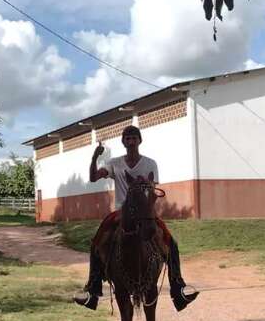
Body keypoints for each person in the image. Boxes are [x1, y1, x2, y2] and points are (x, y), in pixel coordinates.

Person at [73, 125, 199, 311]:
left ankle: (178, 289)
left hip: (145, 212)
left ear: (140, 141)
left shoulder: (150, 164)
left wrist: (147, 207)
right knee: (97, 242)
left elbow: (152, 192)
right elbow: (93, 178)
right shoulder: (115, 163)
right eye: (127, 138)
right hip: (120, 211)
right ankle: (93, 289)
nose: (131, 141)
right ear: (123, 142)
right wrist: (95, 157)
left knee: (170, 242)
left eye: (134, 138)